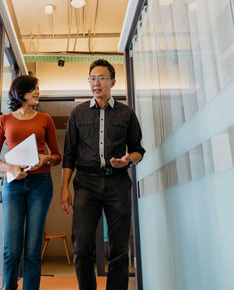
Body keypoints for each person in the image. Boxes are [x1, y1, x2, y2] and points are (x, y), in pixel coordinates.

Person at [60, 59, 145, 290]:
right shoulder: (77, 113)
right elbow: (69, 155)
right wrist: (64, 188)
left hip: (117, 182)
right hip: (86, 184)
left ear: (113, 81)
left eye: (101, 78)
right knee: (82, 246)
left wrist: (128, 159)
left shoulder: (126, 113)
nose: (96, 83)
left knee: (119, 248)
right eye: (92, 78)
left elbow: (138, 150)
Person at [0, 75, 61, 290]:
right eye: (33, 89)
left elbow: (57, 156)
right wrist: (10, 168)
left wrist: (45, 159)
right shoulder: (4, 121)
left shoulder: (45, 119)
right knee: (11, 248)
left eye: (38, 88)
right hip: (13, 185)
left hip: (40, 183)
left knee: (32, 248)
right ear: (20, 93)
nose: (37, 92)